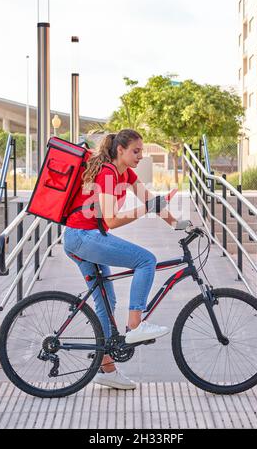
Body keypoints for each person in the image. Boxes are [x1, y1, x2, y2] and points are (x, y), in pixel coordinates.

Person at [63, 129, 183, 390]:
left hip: (85, 236)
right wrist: (146, 209)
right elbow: (111, 219)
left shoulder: (126, 174)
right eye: (136, 151)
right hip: (82, 236)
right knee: (145, 261)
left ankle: (106, 368)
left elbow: (151, 200)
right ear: (120, 150)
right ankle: (135, 325)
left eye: (142, 151)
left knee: (107, 300)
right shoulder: (107, 173)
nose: (141, 156)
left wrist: (177, 224)